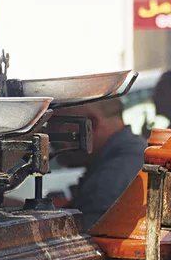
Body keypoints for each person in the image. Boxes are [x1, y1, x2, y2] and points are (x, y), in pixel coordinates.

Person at [55, 98, 147, 229]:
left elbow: (86, 243)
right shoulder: (135, 152)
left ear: (91, 125)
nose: (50, 136)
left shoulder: (111, 177)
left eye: (58, 125)